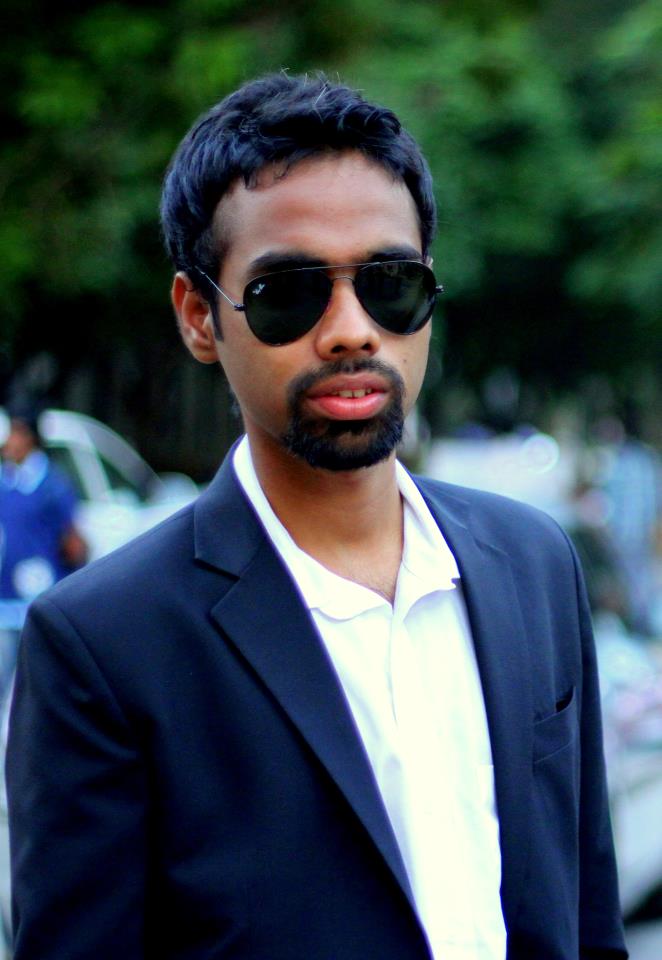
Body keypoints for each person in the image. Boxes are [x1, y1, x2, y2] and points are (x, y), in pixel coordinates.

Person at [6, 73, 627, 960]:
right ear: (199, 317)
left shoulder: (532, 563)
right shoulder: (105, 645)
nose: (350, 330)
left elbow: (587, 913)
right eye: (289, 293)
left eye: (390, 283)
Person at [0, 407, 86, 704]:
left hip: (37, 600)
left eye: (14, 433)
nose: (8, 441)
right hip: (5, 600)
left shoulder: (53, 485)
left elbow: (74, 544)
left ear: (29, 437)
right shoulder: (5, 479)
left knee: (39, 686)